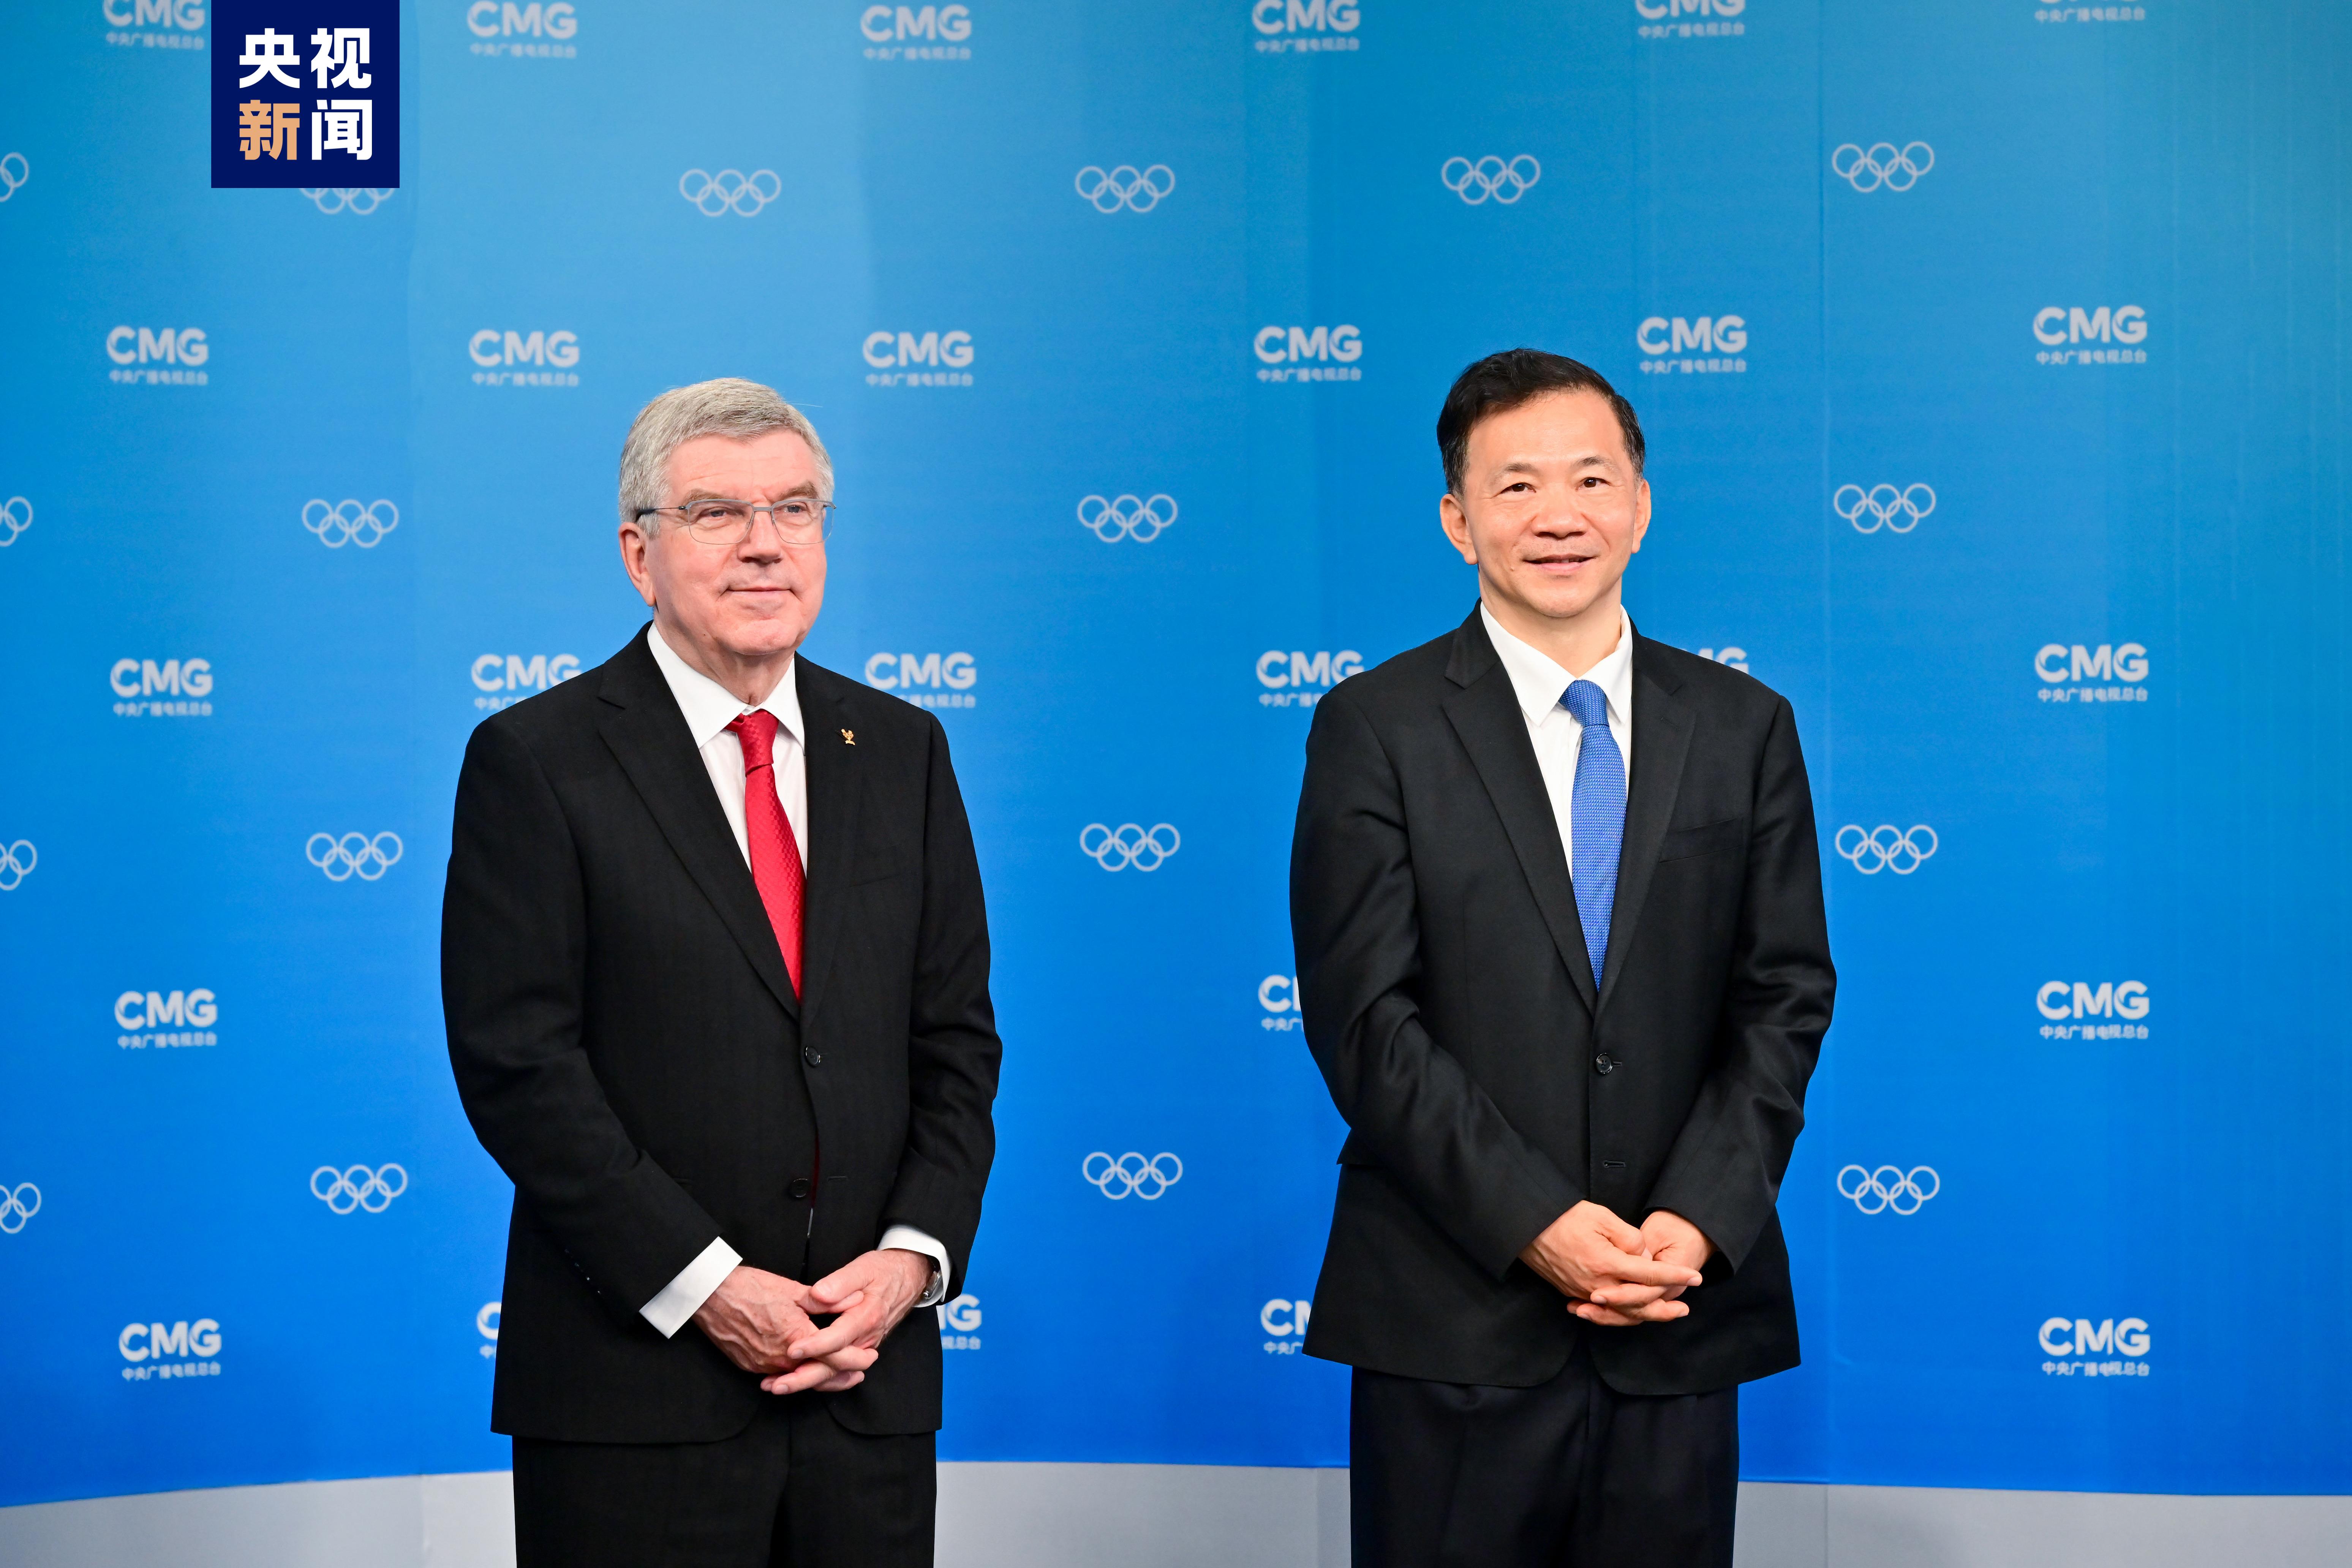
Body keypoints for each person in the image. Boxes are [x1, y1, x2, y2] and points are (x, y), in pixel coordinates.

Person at [443, 378, 1001, 1567]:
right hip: (636, 1397)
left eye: (795, 509)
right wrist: (705, 1287)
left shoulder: (903, 748)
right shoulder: (536, 760)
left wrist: (910, 1263)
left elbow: (955, 1042)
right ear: (639, 555)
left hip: (866, 1384)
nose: (764, 543)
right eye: (716, 513)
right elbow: (519, 1067)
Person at [1289, 349, 1834, 1566]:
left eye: (1591, 480)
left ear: (1639, 505)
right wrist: (1538, 1221)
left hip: (1673, 1309)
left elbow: (1785, 995)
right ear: (1459, 521)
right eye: (1518, 485)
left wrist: (1697, 1218)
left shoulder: (1744, 728)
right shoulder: (1375, 727)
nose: (1559, 516)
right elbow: (1365, 1019)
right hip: (1454, 1319)